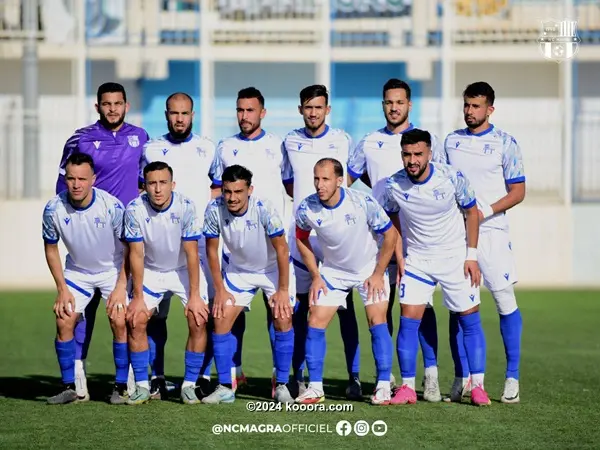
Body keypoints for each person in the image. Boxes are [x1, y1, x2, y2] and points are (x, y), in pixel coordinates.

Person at [347, 78, 444, 400]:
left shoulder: (426, 142)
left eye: (399, 102)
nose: (394, 107)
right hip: (379, 240)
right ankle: (384, 378)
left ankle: (430, 375)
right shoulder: (369, 142)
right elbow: (349, 181)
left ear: (409, 104)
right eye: (388, 102)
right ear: (383, 104)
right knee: (380, 308)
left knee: (421, 307)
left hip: (416, 240)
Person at [379, 129, 491, 406]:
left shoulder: (452, 177)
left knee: (469, 320)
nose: (412, 160)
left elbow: (472, 213)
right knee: (408, 320)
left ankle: (477, 386)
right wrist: (401, 256)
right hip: (417, 260)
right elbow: (390, 220)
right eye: (407, 154)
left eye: (418, 154)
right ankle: (406, 386)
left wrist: (472, 255)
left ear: (429, 153)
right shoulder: (394, 185)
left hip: (455, 259)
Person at [55, 82, 149, 400]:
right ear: (97, 107)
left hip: (125, 242)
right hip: (89, 240)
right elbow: (63, 185)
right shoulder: (81, 138)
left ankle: (133, 381)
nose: (112, 109)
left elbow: (146, 182)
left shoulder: (141, 138)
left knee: (126, 315)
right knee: (79, 314)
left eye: (118, 103)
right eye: (106, 104)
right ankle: (77, 378)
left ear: (126, 105)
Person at [443, 81, 526, 404]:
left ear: (490, 109)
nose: (469, 111)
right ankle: (462, 378)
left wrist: (485, 211)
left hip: (492, 233)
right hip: (457, 235)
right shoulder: (451, 142)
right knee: (459, 307)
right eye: (466, 105)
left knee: (505, 300)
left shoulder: (505, 143)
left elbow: (518, 191)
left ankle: (512, 376)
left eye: (476, 106)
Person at [209, 87, 293, 394]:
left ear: (262, 113)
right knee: (227, 314)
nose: (244, 116)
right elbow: (218, 191)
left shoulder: (278, 146)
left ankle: (280, 380)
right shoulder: (225, 146)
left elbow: (291, 186)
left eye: (250, 110)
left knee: (280, 315)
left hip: (273, 250)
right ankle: (232, 376)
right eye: (240, 110)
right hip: (238, 254)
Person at [294, 158, 397, 405]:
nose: (320, 185)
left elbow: (391, 235)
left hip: (368, 269)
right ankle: (316, 388)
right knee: (315, 321)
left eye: (326, 179)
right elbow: (300, 238)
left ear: (340, 181)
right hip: (333, 273)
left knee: (377, 319)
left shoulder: (362, 202)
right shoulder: (307, 207)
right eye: (316, 178)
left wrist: (377, 272)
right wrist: (316, 276)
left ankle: (383, 385)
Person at [283, 84, 363, 400]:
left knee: (346, 309)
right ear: (301, 109)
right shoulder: (289, 141)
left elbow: (349, 182)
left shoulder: (342, 140)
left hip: (337, 237)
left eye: (319, 107)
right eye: (308, 107)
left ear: (327, 109)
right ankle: (301, 378)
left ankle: (353, 377)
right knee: (303, 307)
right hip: (303, 238)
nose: (313, 112)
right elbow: (290, 184)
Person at [140, 92, 217, 399]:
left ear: (193, 115)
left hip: (197, 244)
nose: (180, 118)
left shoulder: (207, 148)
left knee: (204, 313)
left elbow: (218, 188)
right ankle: (156, 376)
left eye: (185, 113)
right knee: (155, 316)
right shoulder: (151, 148)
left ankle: (199, 377)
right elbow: (141, 188)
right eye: (174, 113)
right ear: (166, 114)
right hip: (159, 245)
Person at [200, 165, 296, 404]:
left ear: (249, 190)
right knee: (220, 318)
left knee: (282, 318)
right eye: (227, 191)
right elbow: (212, 251)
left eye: (238, 191)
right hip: (239, 271)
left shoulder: (264, 209)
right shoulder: (214, 208)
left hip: (272, 270)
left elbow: (282, 249)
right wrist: (220, 290)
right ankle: (225, 387)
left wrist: (283, 290)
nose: (232, 197)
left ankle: (282, 385)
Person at [43, 153, 129, 405]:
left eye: (82, 178)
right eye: (71, 178)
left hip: (112, 271)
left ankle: (121, 386)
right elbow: (51, 249)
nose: (76, 184)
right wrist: (62, 289)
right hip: (77, 272)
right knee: (64, 318)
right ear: (65, 179)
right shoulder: (53, 209)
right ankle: (70, 387)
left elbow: (130, 249)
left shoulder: (111, 206)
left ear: (94, 179)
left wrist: (122, 286)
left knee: (119, 318)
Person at [123, 161, 209, 405]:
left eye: (163, 183)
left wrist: (194, 295)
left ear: (173, 184)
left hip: (182, 269)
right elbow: (136, 254)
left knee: (198, 318)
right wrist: (138, 296)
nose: (158, 189)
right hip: (151, 270)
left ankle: (189, 385)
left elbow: (192, 253)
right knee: (136, 319)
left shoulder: (185, 206)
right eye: (152, 183)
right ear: (145, 186)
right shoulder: (134, 210)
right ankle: (141, 385)